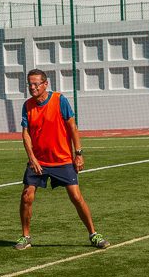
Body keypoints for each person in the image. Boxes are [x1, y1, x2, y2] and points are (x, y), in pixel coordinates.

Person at [15, 69, 109, 251]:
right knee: (27, 196)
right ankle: (25, 236)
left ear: (45, 84)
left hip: (63, 159)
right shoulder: (27, 106)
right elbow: (25, 134)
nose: (32, 87)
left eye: (35, 84)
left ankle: (93, 234)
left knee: (76, 197)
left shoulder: (60, 100)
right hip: (39, 161)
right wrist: (32, 157)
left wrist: (78, 153)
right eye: (30, 84)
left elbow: (72, 127)